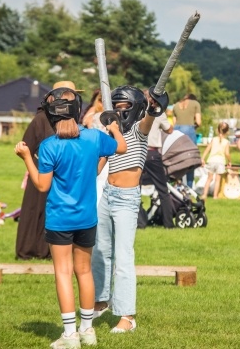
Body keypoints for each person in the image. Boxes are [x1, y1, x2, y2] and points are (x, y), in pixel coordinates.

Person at [14, 82, 127, 348]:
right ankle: (87, 330)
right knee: (84, 272)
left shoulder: (49, 146)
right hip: (87, 218)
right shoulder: (94, 138)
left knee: (63, 273)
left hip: (60, 219)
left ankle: (69, 335)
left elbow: (42, 185)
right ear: (77, 109)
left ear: (51, 113)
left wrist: (26, 157)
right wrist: (113, 129)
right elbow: (119, 148)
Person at [92, 85, 167, 333]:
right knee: (100, 251)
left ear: (134, 109)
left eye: (126, 108)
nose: (121, 113)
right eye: (117, 108)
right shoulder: (111, 136)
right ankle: (101, 302)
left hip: (126, 199)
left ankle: (127, 316)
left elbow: (149, 118)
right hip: (107, 196)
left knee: (124, 257)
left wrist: (155, 107)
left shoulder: (138, 131)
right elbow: (98, 168)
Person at [15, 106, 54, 260]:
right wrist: (33, 163)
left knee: (51, 210)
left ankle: (46, 250)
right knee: (33, 207)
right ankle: (28, 249)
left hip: (62, 170)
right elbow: (25, 146)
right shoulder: (42, 119)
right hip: (40, 167)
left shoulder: (71, 118)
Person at [141, 90, 174, 228]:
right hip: (153, 153)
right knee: (162, 189)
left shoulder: (138, 110)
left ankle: (140, 222)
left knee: (135, 189)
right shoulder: (159, 112)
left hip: (139, 152)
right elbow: (169, 130)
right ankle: (168, 223)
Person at [172, 93, 201, 187]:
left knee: (178, 160)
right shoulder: (196, 104)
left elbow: (173, 123)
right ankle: (189, 187)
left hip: (176, 132)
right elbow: (198, 121)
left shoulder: (176, 105)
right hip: (189, 130)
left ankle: (178, 186)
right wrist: (194, 127)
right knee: (191, 160)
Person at [200, 121, 231, 199]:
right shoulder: (226, 142)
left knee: (209, 179)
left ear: (217, 130)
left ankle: (204, 195)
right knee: (218, 180)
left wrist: (203, 158)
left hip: (211, 161)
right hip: (220, 162)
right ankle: (215, 196)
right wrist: (229, 161)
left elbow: (207, 149)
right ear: (227, 132)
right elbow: (227, 153)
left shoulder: (213, 139)